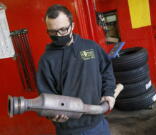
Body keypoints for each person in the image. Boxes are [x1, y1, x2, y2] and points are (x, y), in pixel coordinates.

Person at [36, 4, 116, 135]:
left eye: (63, 30)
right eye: (52, 32)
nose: (58, 35)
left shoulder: (91, 47)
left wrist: (109, 92)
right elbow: (46, 94)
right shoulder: (46, 60)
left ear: (72, 26)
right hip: (69, 129)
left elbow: (106, 70)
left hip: (97, 122)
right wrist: (52, 114)